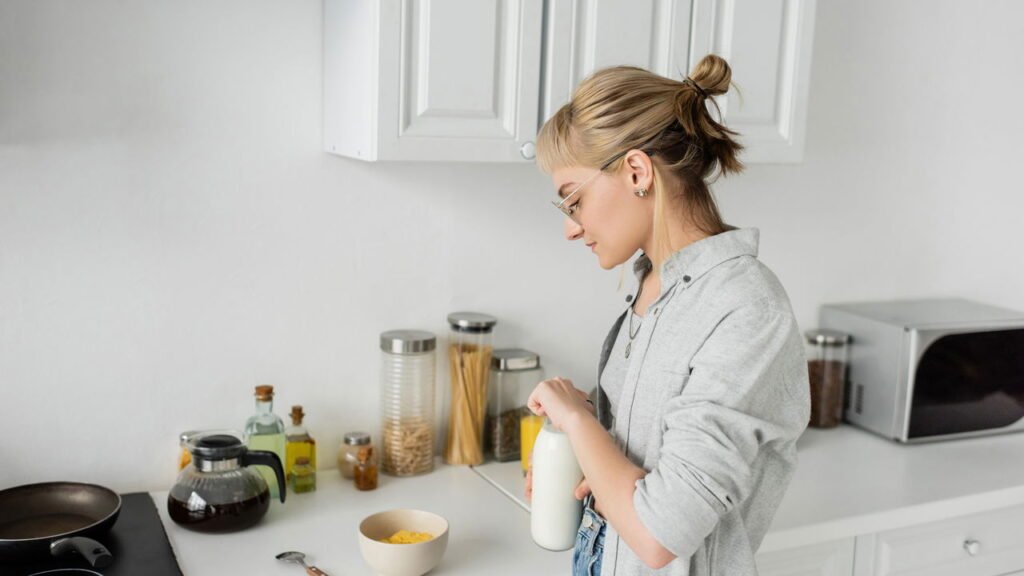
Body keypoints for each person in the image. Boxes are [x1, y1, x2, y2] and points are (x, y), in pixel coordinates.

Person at [524, 54, 811, 576]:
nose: (570, 228)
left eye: (573, 201)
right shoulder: (654, 287)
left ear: (636, 170)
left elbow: (660, 536)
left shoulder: (746, 308)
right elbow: (645, 467)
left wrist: (576, 418)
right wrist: (584, 451)